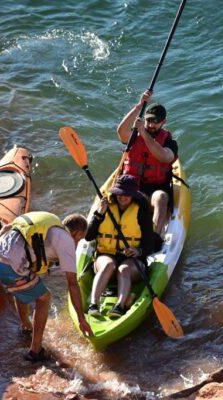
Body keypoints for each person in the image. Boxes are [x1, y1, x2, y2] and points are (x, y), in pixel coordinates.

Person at [0, 211, 93, 362]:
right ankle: (35, 351)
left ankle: (26, 327)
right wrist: (81, 318)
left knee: (26, 284)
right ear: (76, 233)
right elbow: (72, 283)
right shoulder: (66, 241)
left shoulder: (47, 223)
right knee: (44, 297)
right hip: (9, 268)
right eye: (80, 239)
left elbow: (5, 229)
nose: (77, 244)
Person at [84, 174, 154, 318]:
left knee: (123, 269)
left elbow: (150, 243)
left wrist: (138, 250)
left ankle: (120, 306)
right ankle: (93, 304)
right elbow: (89, 236)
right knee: (108, 265)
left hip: (132, 263)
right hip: (106, 256)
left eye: (127, 194)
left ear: (134, 195)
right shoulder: (105, 207)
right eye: (119, 194)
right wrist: (99, 214)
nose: (122, 197)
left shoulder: (141, 211)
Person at [117, 90, 178, 250]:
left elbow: (165, 157)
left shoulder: (169, 142)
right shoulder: (134, 135)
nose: (151, 125)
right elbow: (121, 132)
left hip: (154, 189)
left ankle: (153, 240)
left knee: (161, 198)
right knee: (118, 197)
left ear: (163, 122)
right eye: (149, 120)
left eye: (156, 122)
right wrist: (139, 105)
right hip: (132, 186)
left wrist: (144, 134)